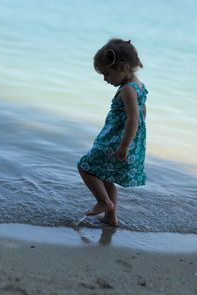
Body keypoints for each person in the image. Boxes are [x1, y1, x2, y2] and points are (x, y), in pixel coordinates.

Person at [77, 38, 148, 227]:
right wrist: (135, 140)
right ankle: (110, 217)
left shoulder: (127, 90)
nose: (105, 79)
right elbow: (142, 113)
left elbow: (133, 117)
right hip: (125, 139)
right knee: (107, 177)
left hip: (116, 141)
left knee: (85, 167)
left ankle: (104, 202)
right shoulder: (139, 86)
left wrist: (124, 146)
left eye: (107, 73)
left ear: (123, 67)